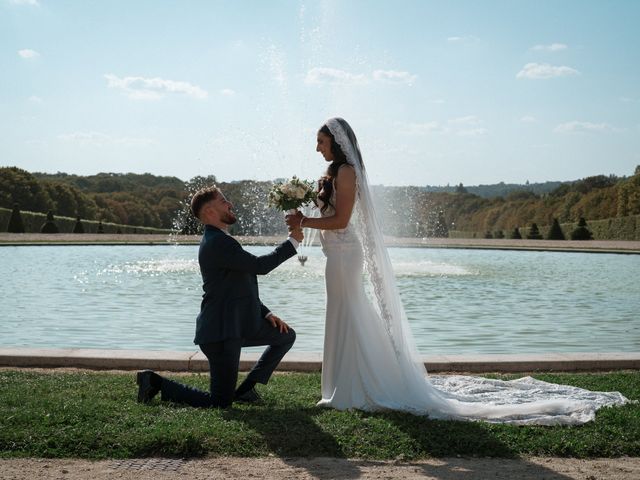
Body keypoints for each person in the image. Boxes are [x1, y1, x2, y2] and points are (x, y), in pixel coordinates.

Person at [286, 118, 628, 425]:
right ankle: (344, 386)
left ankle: (352, 389)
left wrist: (305, 220)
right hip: (336, 256)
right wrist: (301, 214)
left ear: (337, 141)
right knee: (344, 314)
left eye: (320, 141)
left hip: (346, 255)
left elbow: (342, 221)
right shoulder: (332, 173)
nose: (317, 147)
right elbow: (328, 215)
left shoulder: (346, 172)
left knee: (350, 313)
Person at [137, 186, 302, 408]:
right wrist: (293, 242)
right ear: (210, 212)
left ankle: (245, 391)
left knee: (285, 336)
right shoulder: (216, 242)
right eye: (224, 201)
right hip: (221, 334)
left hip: (240, 325)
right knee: (220, 403)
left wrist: (267, 313)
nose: (230, 204)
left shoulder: (221, 240)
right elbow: (259, 266)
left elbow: (240, 286)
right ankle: (154, 381)